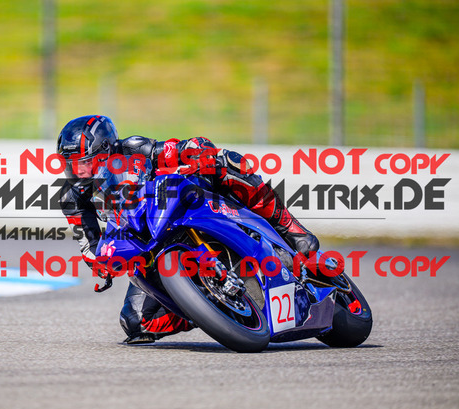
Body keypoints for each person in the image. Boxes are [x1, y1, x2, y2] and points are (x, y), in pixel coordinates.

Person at [56, 115, 319, 344]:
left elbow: (175, 149)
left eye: (83, 162)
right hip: (146, 247)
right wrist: (103, 264)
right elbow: (89, 245)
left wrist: (194, 149)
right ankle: (207, 309)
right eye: (69, 163)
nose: (77, 171)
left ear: (105, 151)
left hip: (179, 208)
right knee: (136, 322)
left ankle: (290, 228)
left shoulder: (134, 148)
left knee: (226, 162)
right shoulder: (72, 198)